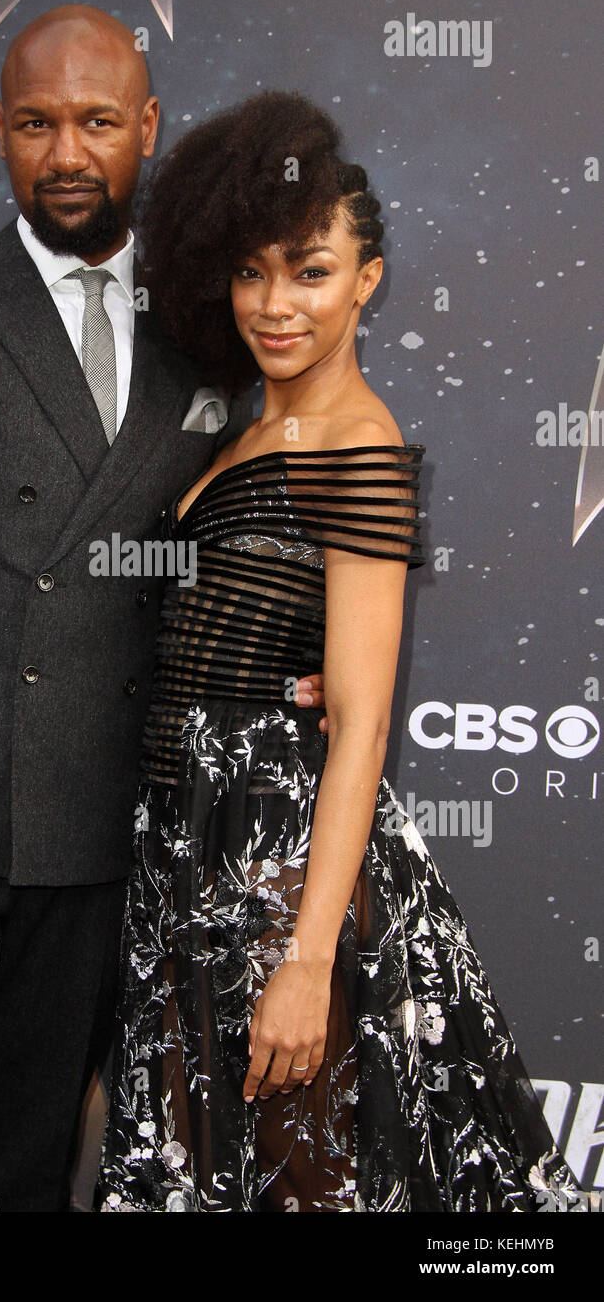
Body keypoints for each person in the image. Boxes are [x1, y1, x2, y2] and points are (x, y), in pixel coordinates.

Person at [0, 6, 328, 1212]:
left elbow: (232, 547)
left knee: (28, 1179)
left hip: (96, 840)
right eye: (35, 123)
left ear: (146, 129)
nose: (66, 153)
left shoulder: (209, 340)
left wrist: (306, 659)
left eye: (94, 122)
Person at [98, 91, 584, 1212]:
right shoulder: (247, 425)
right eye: (254, 272)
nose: (277, 306)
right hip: (188, 846)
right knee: (213, 1172)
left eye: (311, 273)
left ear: (367, 281)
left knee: (299, 1179)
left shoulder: (359, 446)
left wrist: (309, 959)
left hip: (275, 864)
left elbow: (362, 720)